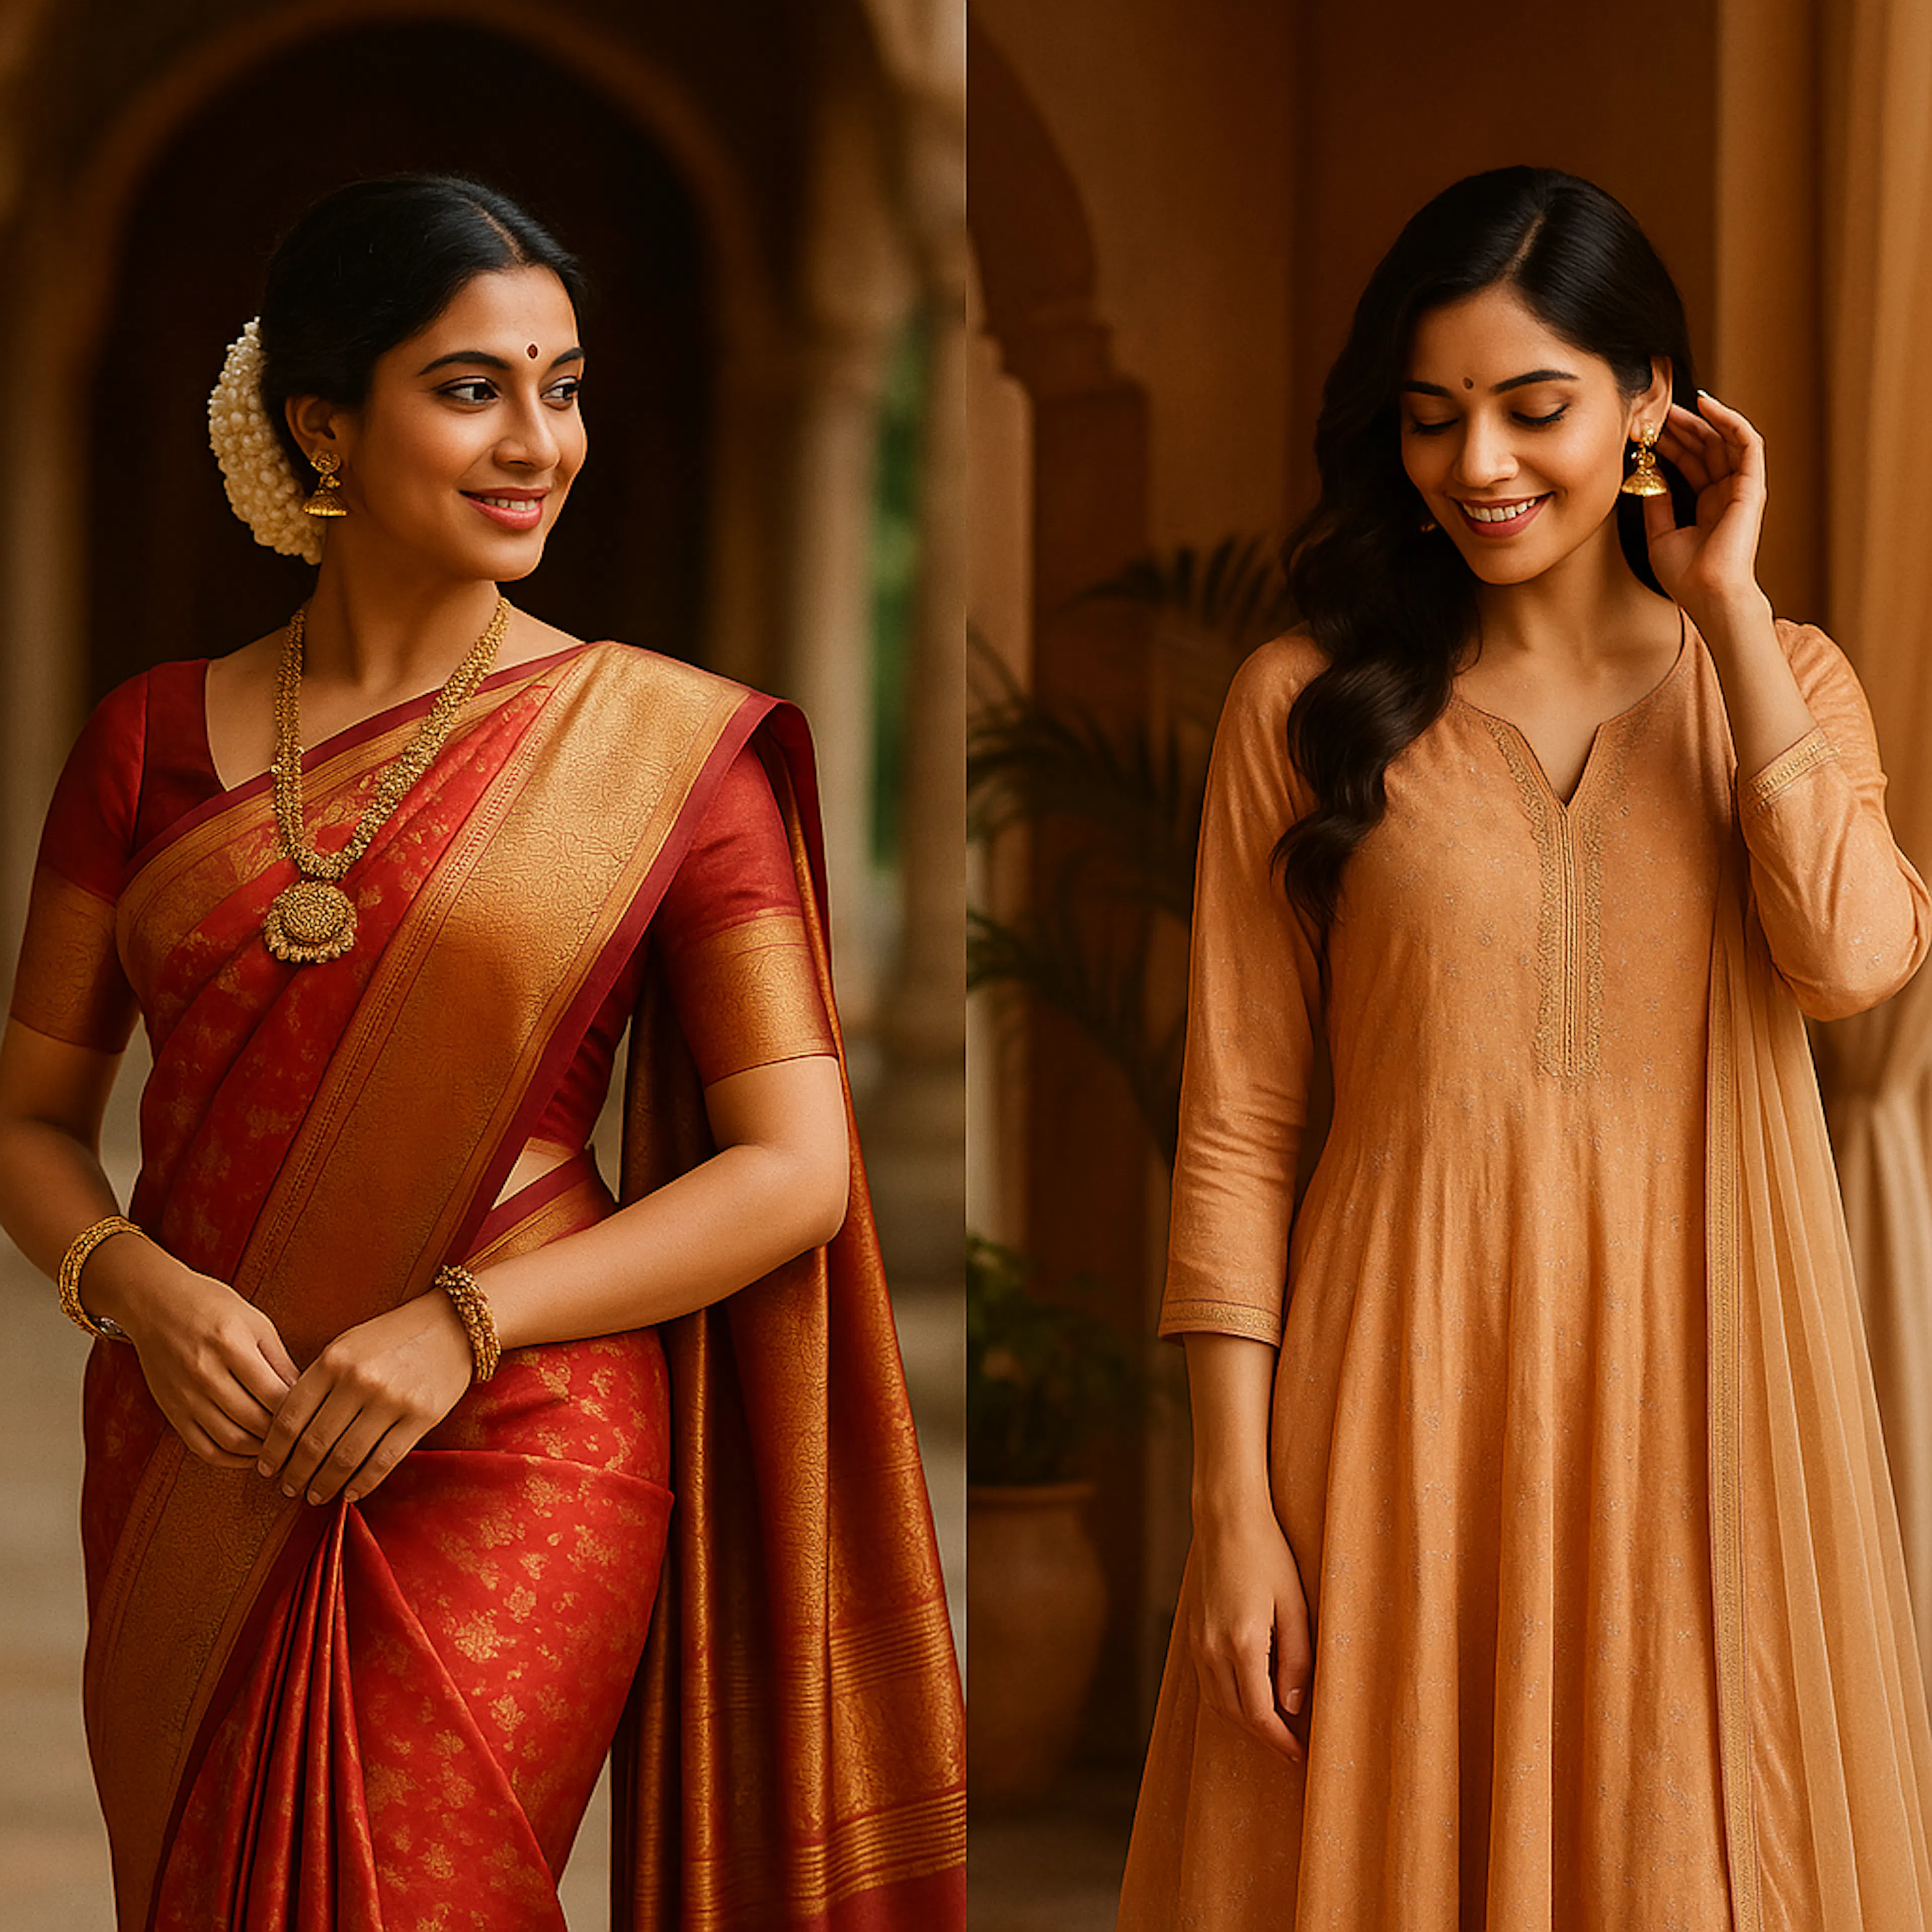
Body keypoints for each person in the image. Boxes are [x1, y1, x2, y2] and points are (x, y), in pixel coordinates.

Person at [0, 173, 964, 1931]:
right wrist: (137, 1292)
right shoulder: (145, 745)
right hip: (205, 1433)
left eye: (564, 388)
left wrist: (463, 1324)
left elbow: (796, 1168)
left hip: (518, 1426)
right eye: (472, 389)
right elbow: (30, 1123)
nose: (539, 442)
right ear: (322, 424)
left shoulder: (666, 757)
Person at [1116, 167, 1932, 1929]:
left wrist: (1727, 609)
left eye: (1533, 407)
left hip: (1704, 1390)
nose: (1477, 462)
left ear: (1652, 405)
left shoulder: (1783, 678)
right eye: (1432, 417)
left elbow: (1856, 961)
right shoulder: (1304, 706)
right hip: (1400, 1392)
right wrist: (1234, 1512)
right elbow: (1238, 1127)